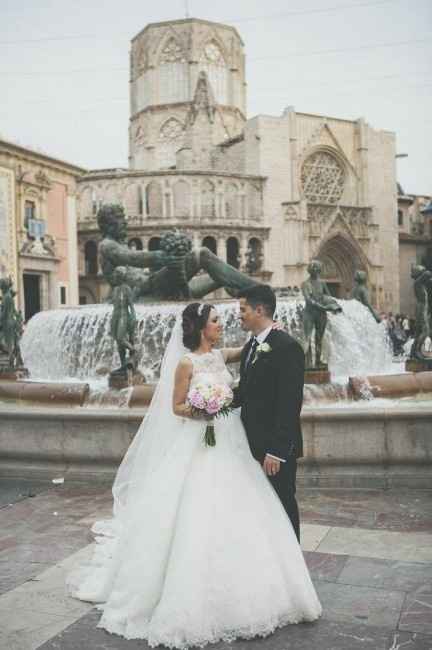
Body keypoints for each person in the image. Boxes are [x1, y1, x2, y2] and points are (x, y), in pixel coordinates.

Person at [67, 301, 321, 648]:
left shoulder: (219, 356)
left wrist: (271, 329)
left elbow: (255, 346)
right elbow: (176, 406)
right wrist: (204, 408)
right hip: (200, 439)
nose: (222, 324)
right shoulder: (186, 363)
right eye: (216, 320)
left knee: (244, 506)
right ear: (201, 326)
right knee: (197, 509)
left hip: (232, 441)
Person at [234, 285, 305, 540]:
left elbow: (290, 403)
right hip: (251, 446)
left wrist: (277, 450)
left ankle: (293, 564)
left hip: (275, 451)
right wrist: (211, 403)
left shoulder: (287, 347)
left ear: (260, 310)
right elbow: (244, 393)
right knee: (263, 509)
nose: (239, 315)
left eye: (243, 310)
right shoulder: (250, 347)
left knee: (283, 504)